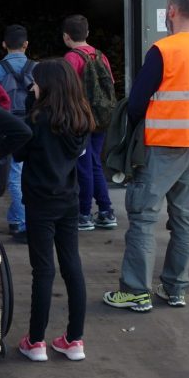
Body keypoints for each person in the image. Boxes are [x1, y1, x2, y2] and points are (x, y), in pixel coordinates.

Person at [104, 0, 189, 312]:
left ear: (172, 11)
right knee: (185, 218)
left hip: (162, 145)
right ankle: (175, 288)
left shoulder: (164, 50)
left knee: (144, 217)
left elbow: (137, 102)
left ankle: (135, 290)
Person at [14, 59, 95, 362]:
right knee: (72, 265)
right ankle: (74, 339)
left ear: (45, 86)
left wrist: (28, 107)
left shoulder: (37, 119)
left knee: (43, 270)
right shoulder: (80, 118)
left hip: (39, 201)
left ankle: (36, 341)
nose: (31, 87)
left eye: (35, 82)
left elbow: (20, 151)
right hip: (69, 199)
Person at [62, 14, 117, 231]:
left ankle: (83, 214)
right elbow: (110, 85)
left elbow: (66, 90)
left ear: (66, 36)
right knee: (95, 163)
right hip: (101, 118)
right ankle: (105, 210)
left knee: (83, 166)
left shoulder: (71, 58)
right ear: (87, 33)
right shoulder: (101, 56)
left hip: (81, 119)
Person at [0, 24, 35, 241]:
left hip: (7, 125)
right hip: (30, 124)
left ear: (4, 45)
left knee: (13, 174)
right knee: (26, 172)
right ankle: (24, 218)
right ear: (26, 44)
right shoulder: (36, 68)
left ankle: (19, 220)